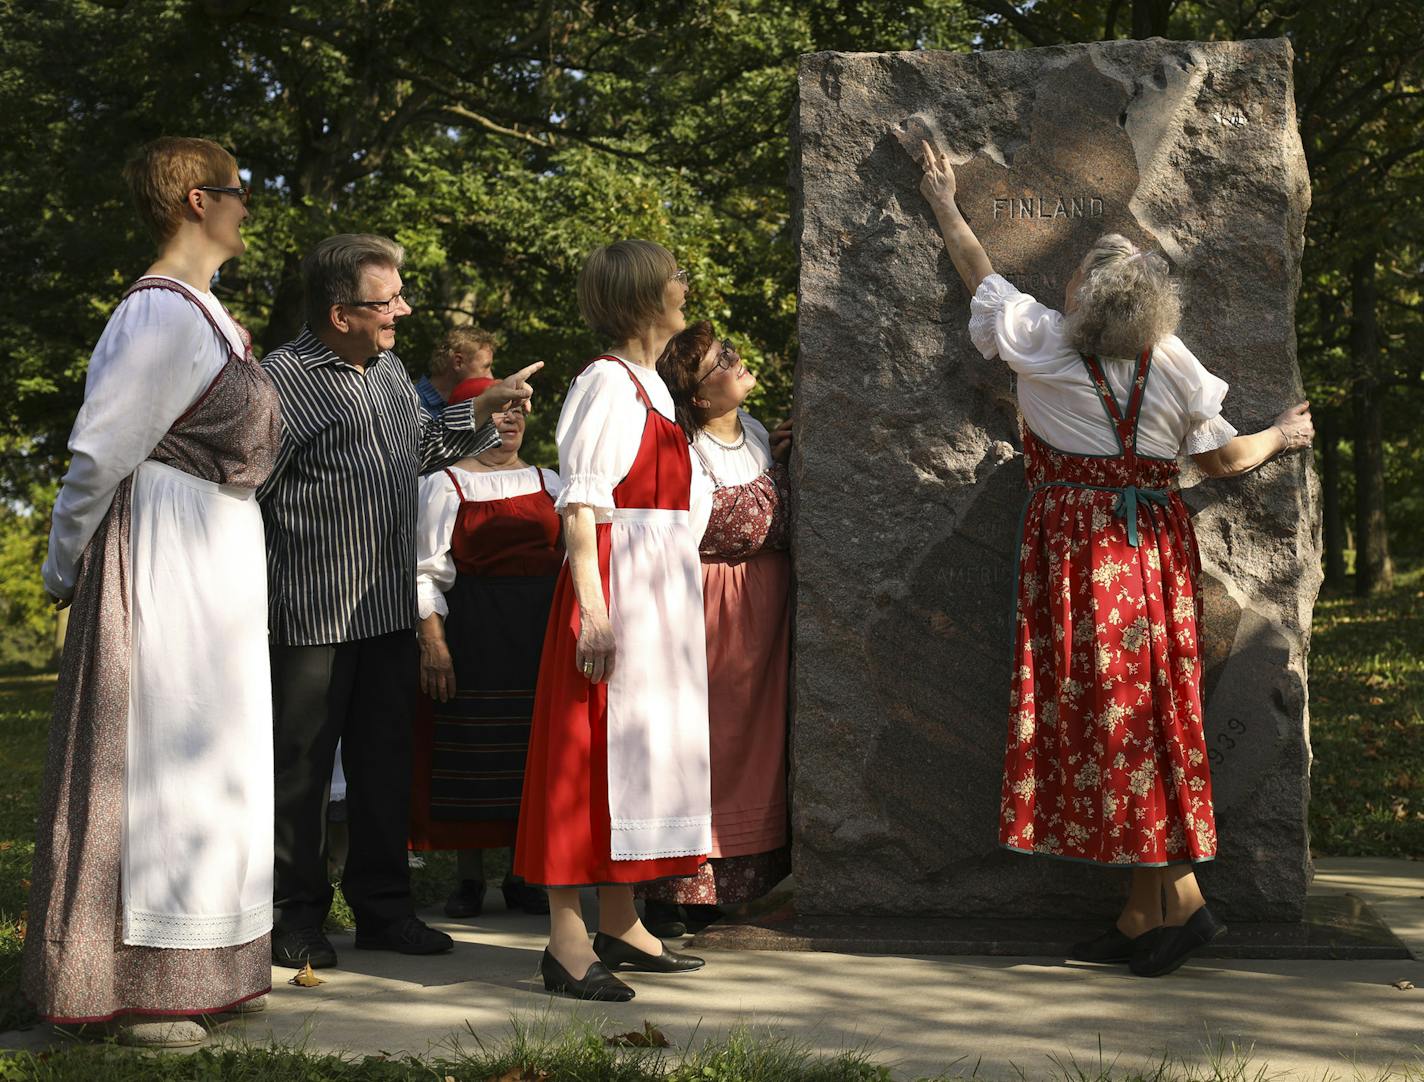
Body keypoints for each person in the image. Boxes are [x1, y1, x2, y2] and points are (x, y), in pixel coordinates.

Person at [915, 138, 1314, 977]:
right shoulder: (1172, 363)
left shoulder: (1045, 345)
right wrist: (1283, 433)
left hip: (1079, 554)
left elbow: (976, 269)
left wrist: (947, 201)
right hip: (1155, 554)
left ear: (1081, 298)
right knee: (1149, 718)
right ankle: (1142, 913)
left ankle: (1186, 906)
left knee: (1117, 723)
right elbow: (1220, 462)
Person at [25, 137, 280, 1048]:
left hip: (212, 549)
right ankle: (139, 983)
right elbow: (98, 452)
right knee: (163, 747)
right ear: (194, 200)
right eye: (240, 192)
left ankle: (211, 962)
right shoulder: (158, 315)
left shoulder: (208, 314)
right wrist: (67, 567)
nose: (250, 206)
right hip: (163, 550)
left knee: (217, 748)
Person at [259, 233, 542, 970]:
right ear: (339, 310)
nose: (403, 312)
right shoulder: (280, 382)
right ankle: (294, 918)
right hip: (309, 615)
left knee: (386, 767)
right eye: (388, 302)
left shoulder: (385, 370)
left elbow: (420, 445)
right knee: (303, 773)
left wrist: (487, 406)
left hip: (386, 613)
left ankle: (384, 912)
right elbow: (246, 493)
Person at [514, 240, 710, 1001]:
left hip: (658, 586)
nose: (684, 287)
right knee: (584, 755)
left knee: (637, 756)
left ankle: (622, 923)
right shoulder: (605, 384)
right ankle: (565, 942)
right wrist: (593, 610)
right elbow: (582, 505)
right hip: (615, 584)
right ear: (641, 296)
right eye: (674, 278)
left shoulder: (653, 386)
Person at [645, 323, 794, 936]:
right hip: (706, 605)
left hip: (767, 605)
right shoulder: (682, 449)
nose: (737, 360)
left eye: (733, 350)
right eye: (720, 361)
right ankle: (672, 888)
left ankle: (737, 883)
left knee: (757, 745)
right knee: (699, 743)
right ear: (699, 398)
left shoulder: (759, 434)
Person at [412, 375, 560, 919]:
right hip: (474, 631)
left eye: (520, 411)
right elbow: (427, 571)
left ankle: (523, 874)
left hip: (538, 632)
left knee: (530, 753)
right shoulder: (445, 484)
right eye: (501, 411)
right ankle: (469, 877)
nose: (512, 420)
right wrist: (434, 642)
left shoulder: (551, 480)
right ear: (478, 418)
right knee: (472, 748)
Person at [414, 326, 499, 418]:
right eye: (485, 367)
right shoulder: (411, 405)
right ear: (458, 362)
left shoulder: (471, 403)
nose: (491, 377)